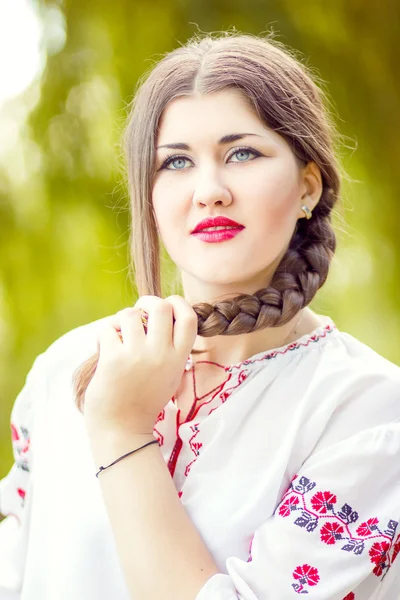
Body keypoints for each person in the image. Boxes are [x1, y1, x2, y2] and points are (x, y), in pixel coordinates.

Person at [0, 30, 399, 600]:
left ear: (308, 186)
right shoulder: (66, 368)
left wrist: (122, 431)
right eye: (176, 162)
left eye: (242, 153)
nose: (209, 190)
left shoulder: (368, 413)